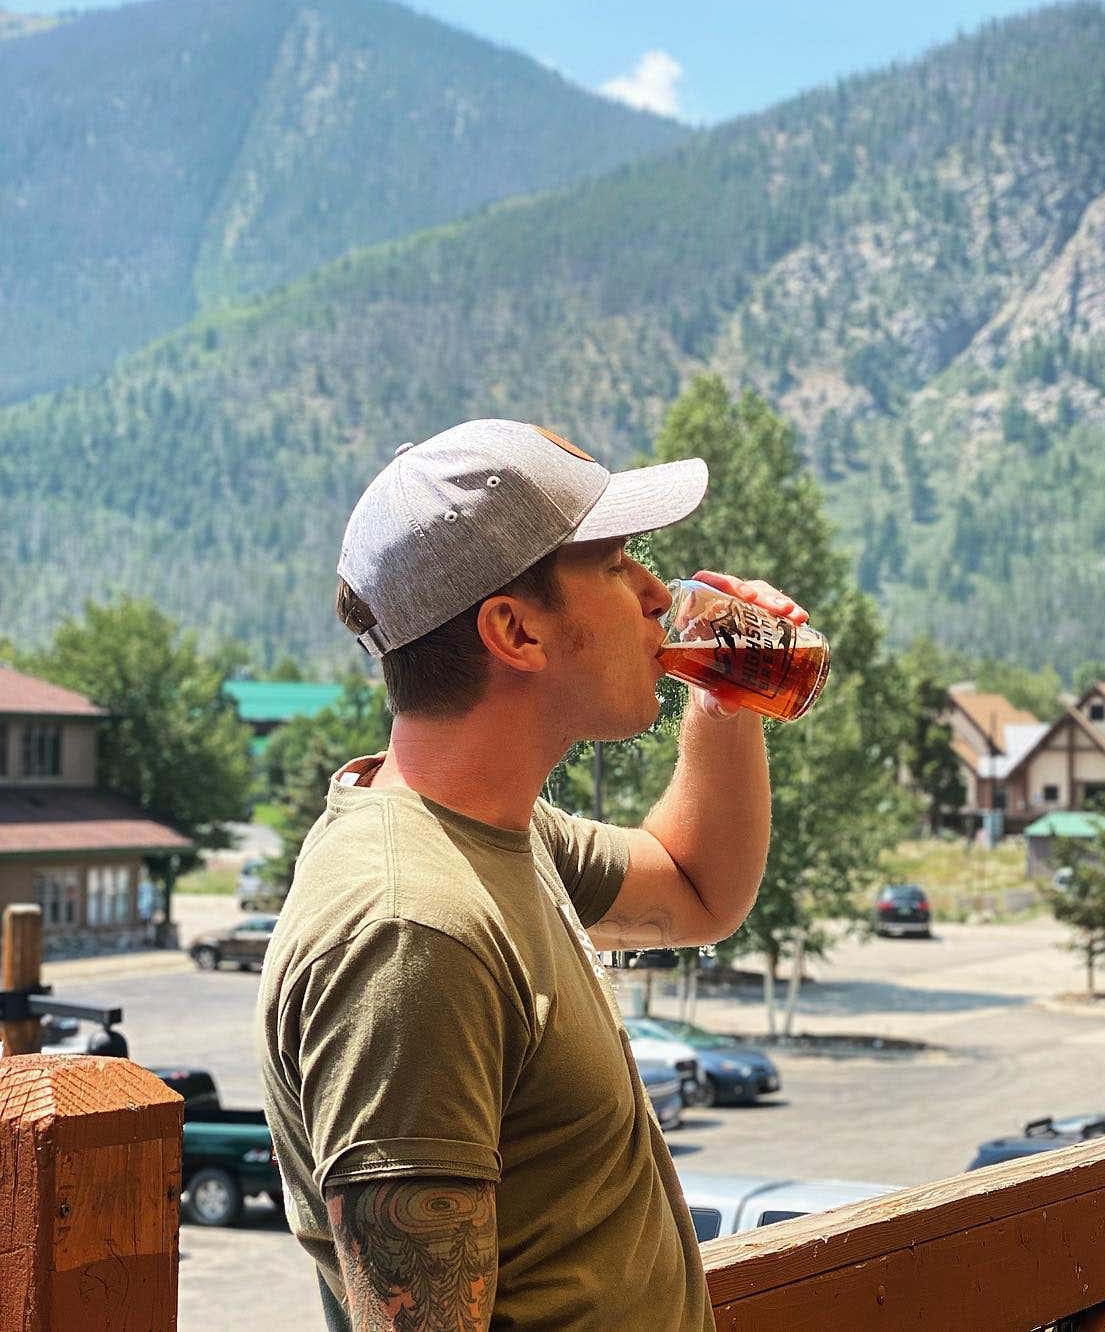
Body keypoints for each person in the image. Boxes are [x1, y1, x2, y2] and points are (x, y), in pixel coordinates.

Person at [258, 420, 801, 1332]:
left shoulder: (499, 835)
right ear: (515, 630)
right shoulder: (411, 929)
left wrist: (722, 695)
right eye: (617, 563)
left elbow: (697, 889)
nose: (658, 594)